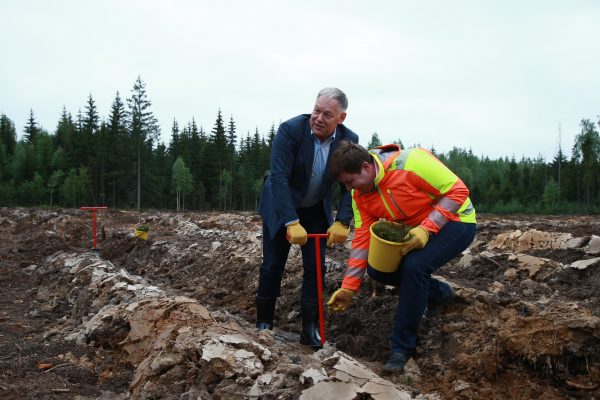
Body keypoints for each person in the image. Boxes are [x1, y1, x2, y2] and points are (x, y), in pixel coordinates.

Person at [327, 141, 476, 371]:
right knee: (378, 269)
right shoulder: (360, 195)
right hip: (415, 231)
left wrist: (427, 228)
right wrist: (349, 286)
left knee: (414, 267)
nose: (349, 189)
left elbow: (458, 191)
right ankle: (439, 293)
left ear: (366, 168)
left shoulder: (412, 162)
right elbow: (362, 239)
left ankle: (401, 348)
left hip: (456, 221)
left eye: (349, 182)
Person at [256, 88, 359, 348]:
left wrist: (343, 220)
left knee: (315, 268)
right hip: (281, 205)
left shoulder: (348, 140)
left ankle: (309, 329)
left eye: (327, 114)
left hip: (314, 208)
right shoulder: (290, 131)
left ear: (341, 118)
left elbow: (351, 185)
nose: (319, 118)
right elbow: (278, 177)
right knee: (273, 264)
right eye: (316, 110)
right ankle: (264, 322)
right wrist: (290, 221)